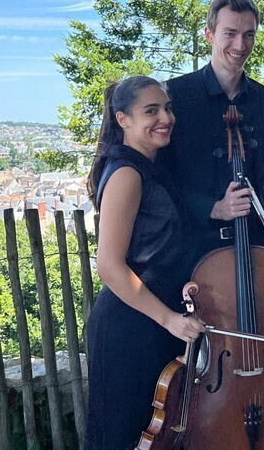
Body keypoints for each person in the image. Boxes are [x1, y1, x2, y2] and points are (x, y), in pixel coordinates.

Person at [85, 76, 204, 450]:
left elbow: (159, 249)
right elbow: (110, 266)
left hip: (153, 323)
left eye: (167, 108)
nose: (164, 117)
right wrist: (168, 318)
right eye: (150, 111)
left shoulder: (149, 165)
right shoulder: (126, 173)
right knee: (125, 436)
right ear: (123, 119)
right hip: (131, 327)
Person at [162, 0, 264, 257]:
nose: (240, 45)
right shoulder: (176, 95)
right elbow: (162, 176)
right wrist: (212, 208)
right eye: (230, 33)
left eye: (249, 34)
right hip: (194, 248)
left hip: (257, 246)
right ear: (210, 34)